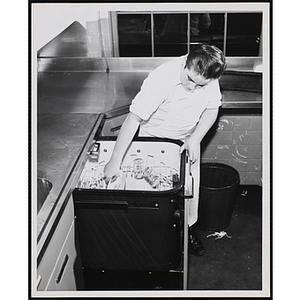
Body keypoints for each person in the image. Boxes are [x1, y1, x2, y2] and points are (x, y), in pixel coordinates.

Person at [104, 44, 226, 256]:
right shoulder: (161, 78)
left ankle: (187, 231)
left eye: (200, 85)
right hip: (153, 140)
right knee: (154, 195)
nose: (192, 88)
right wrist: (115, 160)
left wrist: (196, 138)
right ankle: (152, 236)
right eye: (189, 80)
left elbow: (211, 109)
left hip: (185, 142)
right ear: (186, 61)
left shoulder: (209, 74)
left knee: (189, 193)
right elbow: (134, 119)